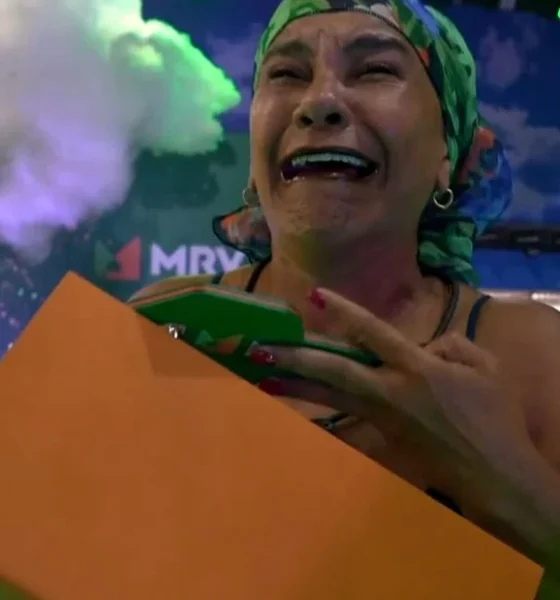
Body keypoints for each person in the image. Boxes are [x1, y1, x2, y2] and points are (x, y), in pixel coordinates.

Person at [130, 0, 560, 594]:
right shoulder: (163, 327)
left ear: (449, 151)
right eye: (287, 74)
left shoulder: (537, 357)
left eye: (375, 70)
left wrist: (498, 476)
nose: (319, 101)